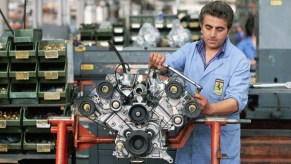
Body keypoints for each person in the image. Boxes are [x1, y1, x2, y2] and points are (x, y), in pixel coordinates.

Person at [148, 1, 250, 164]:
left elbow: (236, 102)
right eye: (208, 28)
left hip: (220, 143)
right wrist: (158, 62)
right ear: (201, 27)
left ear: (228, 30)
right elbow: (166, 64)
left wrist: (211, 108)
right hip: (189, 138)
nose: (213, 34)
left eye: (220, 29)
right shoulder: (189, 50)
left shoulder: (238, 61)